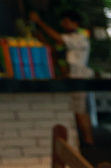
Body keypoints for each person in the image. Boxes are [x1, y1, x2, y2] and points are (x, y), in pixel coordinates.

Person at [29, 10, 93, 143]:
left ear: (75, 23)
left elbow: (58, 38)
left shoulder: (78, 37)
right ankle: (88, 141)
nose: (63, 24)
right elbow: (55, 49)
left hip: (78, 78)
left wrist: (39, 21)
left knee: (79, 110)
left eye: (66, 21)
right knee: (81, 109)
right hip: (73, 77)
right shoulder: (72, 38)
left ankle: (88, 141)